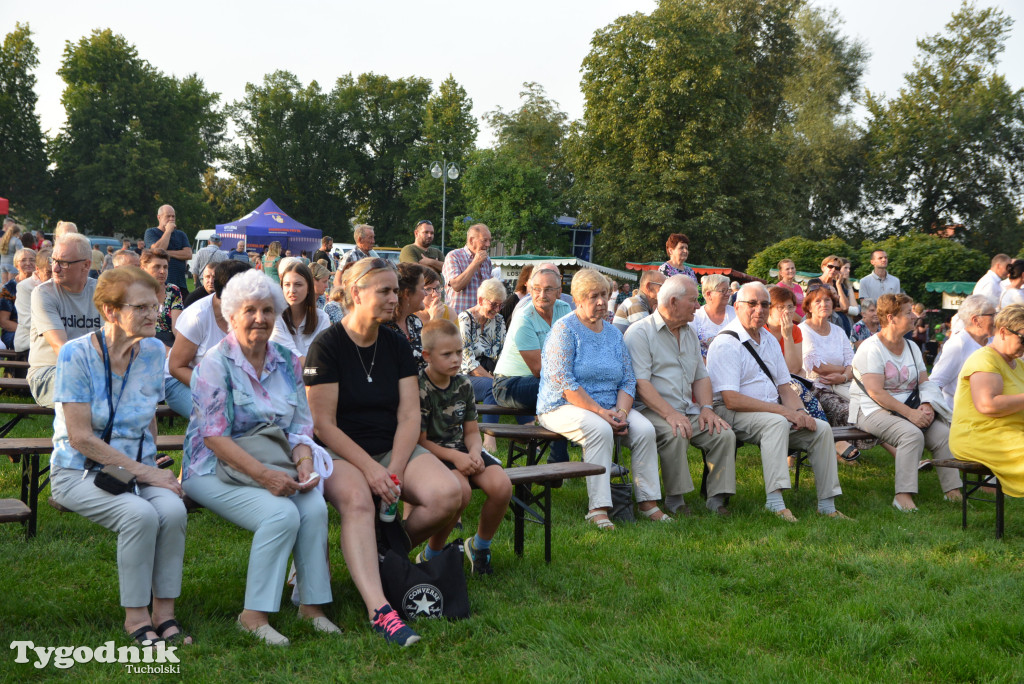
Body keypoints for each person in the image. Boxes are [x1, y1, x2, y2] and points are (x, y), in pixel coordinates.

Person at [305, 257, 463, 646]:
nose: (397, 298)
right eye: (386, 291)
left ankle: (383, 555)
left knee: (450, 495)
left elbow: (410, 415)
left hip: (392, 448)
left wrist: (392, 468)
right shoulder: (326, 346)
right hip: (341, 452)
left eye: (396, 290)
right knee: (358, 502)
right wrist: (373, 473)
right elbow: (324, 425)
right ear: (355, 294)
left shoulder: (395, 343)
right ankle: (381, 610)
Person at [182, 269, 337, 646]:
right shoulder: (214, 365)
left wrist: (303, 465)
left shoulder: (287, 360)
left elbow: (300, 427)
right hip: (211, 469)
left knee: (314, 507)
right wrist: (267, 477)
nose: (260, 318)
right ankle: (253, 616)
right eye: (250, 310)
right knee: (280, 514)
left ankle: (312, 607)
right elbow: (215, 438)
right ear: (231, 316)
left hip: (275, 460)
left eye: (268, 310)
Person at [49, 267, 189, 645]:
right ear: (111, 311)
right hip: (78, 472)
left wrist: (153, 462)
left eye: (155, 306)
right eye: (141, 307)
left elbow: (147, 416)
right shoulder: (76, 355)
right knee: (140, 515)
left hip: (138, 469)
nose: (153, 315)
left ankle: (165, 613)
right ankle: (136, 618)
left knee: (174, 511)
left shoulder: (155, 350)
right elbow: (80, 437)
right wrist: (147, 472)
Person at [706, 282, 847, 521]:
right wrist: (784, 412)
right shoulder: (726, 343)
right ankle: (775, 502)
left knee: (821, 428)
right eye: (752, 304)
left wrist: (801, 412)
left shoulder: (769, 340)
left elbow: (784, 385)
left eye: (764, 304)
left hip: (772, 412)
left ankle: (827, 505)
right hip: (731, 412)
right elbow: (731, 399)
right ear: (737, 306)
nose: (759, 310)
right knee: (777, 423)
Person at [536, 269, 659, 527]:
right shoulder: (564, 330)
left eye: (604, 294)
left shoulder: (614, 334)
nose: (601, 301)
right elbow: (565, 384)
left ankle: (648, 503)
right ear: (578, 300)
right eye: (593, 296)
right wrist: (602, 413)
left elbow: (627, 379)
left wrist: (623, 414)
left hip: (610, 407)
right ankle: (598, 509)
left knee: (645, 429)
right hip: (561, 406)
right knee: (600, 430)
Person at [624, 275, 736, 516]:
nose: (697, 306)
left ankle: (716, 499)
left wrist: (706, 408)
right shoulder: (640, 333)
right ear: (673, 302)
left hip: (687, 410)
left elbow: (701, 376)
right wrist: (671, 414)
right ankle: (676, 500)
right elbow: (641, 384)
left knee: (723, 433)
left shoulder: (688, 333)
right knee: (675, 431)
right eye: (693, 300)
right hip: (650, 411)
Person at [849, 293, 962, 511]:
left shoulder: (911, 347)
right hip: (871, 410)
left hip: (909, 408)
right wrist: (911, 415)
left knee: (943, 435)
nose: (914, 317)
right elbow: (876, 393)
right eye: (908, 313)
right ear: (891, 318)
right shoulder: (871, 348)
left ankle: (953, 491)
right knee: (911, 435)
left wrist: (927, 405)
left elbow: (925, 382)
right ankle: (903, 497)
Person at [417, 318, 512, 574]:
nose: (456, 359)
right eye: (447, 354)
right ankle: (431, 554)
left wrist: (473, 453)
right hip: (431, 454)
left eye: (459, 352)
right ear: (427, 355)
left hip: (462, 448)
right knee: (461, 492)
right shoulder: (420, 387)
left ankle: (480, 546)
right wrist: (456, 458)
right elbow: (421, 440)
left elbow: (471, 431)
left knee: (502, 486)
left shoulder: (464, 384)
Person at [491, 267, 571, 464]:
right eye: (536, 289)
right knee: (561, 390)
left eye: (548, 289)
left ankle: (561, 462)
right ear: (529, 290)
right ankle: (558, 462)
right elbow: (539, 370)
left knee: (563, 392)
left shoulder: (565, 310)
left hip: (545, 383)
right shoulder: (523, 318)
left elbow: (572, 352)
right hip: (507, 385)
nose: (541, 295)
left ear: (559, 291)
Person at [949, 304, 1024, 494]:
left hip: (1007, 433)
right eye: (1023, 338)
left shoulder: (1018, 364)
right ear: (1003, 332)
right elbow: (987, 405)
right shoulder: (984, 359)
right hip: (980, 435)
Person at [166, 260, 252, 418]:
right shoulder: (197, 316)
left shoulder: (248, 314)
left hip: (228, 383)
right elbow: (176, 367)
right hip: (180, 381)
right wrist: (216, 389)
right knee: (218, 415)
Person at [28, 234, 102, 407]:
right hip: (49, 372)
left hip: (95, 371)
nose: (55, 269)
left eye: (64, 263)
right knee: (87, 389)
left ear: (86, 265)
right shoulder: (43, 293)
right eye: (53, 260)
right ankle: (72, 435)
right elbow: (62, 349)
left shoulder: (101, 292)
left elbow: (117, 340)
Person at [798, 285, 861, 464]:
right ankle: (839, 448)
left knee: (868, 408)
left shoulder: (839, 331)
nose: (823, 304)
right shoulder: (803, 330)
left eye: (827, 300)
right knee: (848, 410)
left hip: (842, 384)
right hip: (816, 387)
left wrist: (843, 377)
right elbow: (818, 367)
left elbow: (853, 362)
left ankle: (898, 450)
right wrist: (843, 371)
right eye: (817, 301)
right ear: (809, 307)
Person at [458, 278, 507, 451]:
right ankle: (489, 438)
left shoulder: (499, 320)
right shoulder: (465, 320)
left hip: (491, 371)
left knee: (513, 385)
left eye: (500, 305)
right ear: (480, 301)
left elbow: (503, 352)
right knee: (493, 387)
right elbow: (468, 361)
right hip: (465, 375)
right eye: (493, 304)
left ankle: (529, 432)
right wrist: (494, 379)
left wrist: (502, 376)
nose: (497, 309)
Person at [929, 294, 996, 407]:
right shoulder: (958, 344)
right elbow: (936, 381)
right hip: (961, 413)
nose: (996, 319)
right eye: (992, 315)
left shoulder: (993, 340)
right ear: (976, 320)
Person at [271, 260, 330, 364]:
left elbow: (324, 358)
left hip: (314, 380)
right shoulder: (275, 317)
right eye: (287, 285)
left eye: (298, 285)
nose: (292, 290)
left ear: (309, 288)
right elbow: (290, 355)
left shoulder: (322, 318)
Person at [383, 262, 427, 370]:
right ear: (407, 294)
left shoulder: (414, 322)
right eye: (423, 288)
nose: (426, 293)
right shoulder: (383, 327)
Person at [443, 223, 494, 316]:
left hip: (480, 319)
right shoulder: (454, 256)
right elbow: (456, 286)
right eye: (484, 240)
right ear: (471, 240)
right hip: (457, 319)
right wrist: (475, 263)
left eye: (489, 240)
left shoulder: (487, 261)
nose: (488, 244)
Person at [139, 248, 184, 348]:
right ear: (143, 269)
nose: (162, 271)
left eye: (165, 267)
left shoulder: (173, 290)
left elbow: (176, 327)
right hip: (143, 342)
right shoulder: (136, 292)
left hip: (170, 341)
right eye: (157, 267)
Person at [144, 205, 192, 294]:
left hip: (180, 284)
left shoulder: (181, 234)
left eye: (173, 216)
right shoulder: (151, 232)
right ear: (159, 217)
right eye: (168, 216)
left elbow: (188, 254)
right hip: (160, 284)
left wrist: (166, 252)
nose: (171, 219)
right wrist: (168, 231)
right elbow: (157, 251)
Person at [14, 248, 51, 353]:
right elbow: (28, 321)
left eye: (55, 271)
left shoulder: (58, 284)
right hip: (29, 343)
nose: (53, 277)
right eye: (48, 272)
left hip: (53, 342)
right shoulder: (24, 287)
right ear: (38, 269)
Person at [692, 274, 737, 358]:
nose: (728, 294)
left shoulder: (736, 314)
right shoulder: (696, 316)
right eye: (723, 291)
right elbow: (692, 349)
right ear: (709, 294)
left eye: (728, 290)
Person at [0, 247, 35, 349]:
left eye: (32, 260)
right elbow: (4, 321)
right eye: (23, 260)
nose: (28, 263)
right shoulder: (9, 289)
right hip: (14, 331)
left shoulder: (42, 286)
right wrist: (29, 332)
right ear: (16, 265)